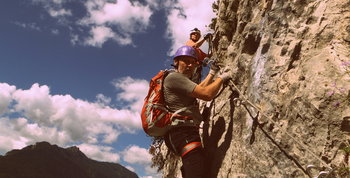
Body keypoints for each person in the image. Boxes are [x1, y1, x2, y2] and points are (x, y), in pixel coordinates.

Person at [163, 46, 233, 178]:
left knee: (195, 168)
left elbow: (197, 90)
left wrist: (212, 73)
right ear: (177, 61)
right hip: (182, 132)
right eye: (185, 61)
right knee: (197, 170)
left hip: (181, 133)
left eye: (193, 62)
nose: (190, 65)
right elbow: (206, 94)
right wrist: (222, 78)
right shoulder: (174, 77)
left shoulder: (179, 79)